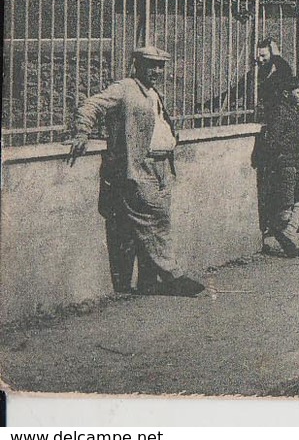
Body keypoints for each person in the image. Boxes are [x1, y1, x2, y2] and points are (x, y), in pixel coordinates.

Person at [68, 44, 206, 297]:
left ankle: (148, 281)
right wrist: (83, 131)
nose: (156, 70)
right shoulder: (124, 89)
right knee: (155, 220)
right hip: (138, 168)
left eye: (160, 66)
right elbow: (91, 105)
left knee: (154, 222)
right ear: (137, 65)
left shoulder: (153, 92)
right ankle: (173, 276)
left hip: (162, 167)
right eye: (150, 65)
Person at [250, 38, 299, 258]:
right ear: (288, 94)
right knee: (285, 205)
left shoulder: (290, 109)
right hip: (285, 163)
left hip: (296, 161)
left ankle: (288, 233)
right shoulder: (279, 111)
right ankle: (288, 239)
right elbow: (272, 140)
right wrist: (276, 160)